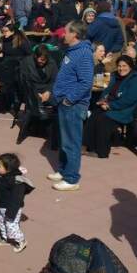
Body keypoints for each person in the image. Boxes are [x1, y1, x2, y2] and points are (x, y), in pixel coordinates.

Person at [47, 20, 94, 191]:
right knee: (64, 140)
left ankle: (72, 179)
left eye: (66, 31)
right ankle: (64, 170)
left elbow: (86, 82)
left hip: (73, 105)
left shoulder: (83, 53)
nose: (63, 34)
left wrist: (69, 99)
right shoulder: (71, 51)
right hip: (64, 102)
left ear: (74, 34)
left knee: (72, 143)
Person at [83, 55, 137, 158]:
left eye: (124, 66)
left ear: (130, 66)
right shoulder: (115, 76)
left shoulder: (135, 79)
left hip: (125, 110)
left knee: (103, 119)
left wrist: (110, 106)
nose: (121, 68)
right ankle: (87, 145)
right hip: (111, 104)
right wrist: (102, 100)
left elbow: (129, 100)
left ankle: (102, 152)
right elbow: (107, 90)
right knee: (95, 113)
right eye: (119, 66)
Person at [0, 153, 32, 253]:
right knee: (1, 223)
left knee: (11, 226)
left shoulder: (16, 182)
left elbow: (17, 199)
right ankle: (4, 238)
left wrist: (11, 212)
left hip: (11, 208)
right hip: (1, 206)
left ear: (8, 168)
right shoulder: (2, 176)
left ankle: (21, 240)